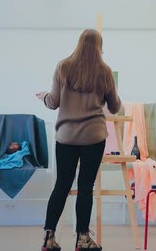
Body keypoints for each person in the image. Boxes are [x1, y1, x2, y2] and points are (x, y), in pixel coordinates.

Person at [36, 29, 121, 251]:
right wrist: (114, 94)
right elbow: (114, 107)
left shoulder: (63, 67)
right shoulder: (105, 71)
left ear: (79, 44)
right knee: (86, 187)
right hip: (93, 137)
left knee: (62, 185)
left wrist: (44, 96)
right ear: (99, 47)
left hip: (66, 137)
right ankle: (82, 239)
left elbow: (53, 102)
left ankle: (49, 238)